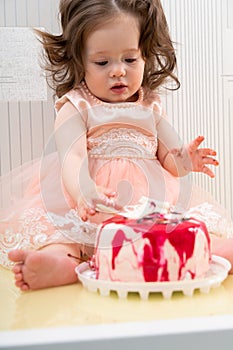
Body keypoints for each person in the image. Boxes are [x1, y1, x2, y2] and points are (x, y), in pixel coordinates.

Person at [1, 0, 232, 291]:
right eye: (102, 62)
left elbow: (169, 160)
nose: (118, 71)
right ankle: (60, 263)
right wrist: (84, 191)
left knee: (182, 230)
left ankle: (212, 251)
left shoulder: (151, 106)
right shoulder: (76, 106)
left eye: (130, 60)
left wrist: (186, 159)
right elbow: (72, 156)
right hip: (89, 199)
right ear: (79, 60)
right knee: (64, 237)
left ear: (146, 56)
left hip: (149, 202)